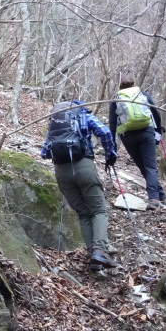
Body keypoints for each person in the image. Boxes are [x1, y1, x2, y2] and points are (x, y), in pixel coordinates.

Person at [41, 100, 119, 271]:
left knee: (83, 213)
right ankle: (100, 250)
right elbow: (104, 132)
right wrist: (110, 153)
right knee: (98, 210)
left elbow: (44, 152)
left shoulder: (53, 124)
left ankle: (93, 254)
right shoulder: (83, 115)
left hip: (61, 171)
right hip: (84, 166)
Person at [108, 74, 166, 210]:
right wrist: (157, 131)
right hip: (146, 133)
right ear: (134, 85)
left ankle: (160, 196)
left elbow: (112, 124)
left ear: (120, 87)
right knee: (150, 167)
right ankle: (155, 197)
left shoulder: (116, 100)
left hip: (128, 137)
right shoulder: (143, 95)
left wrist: (112, 145)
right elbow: (156, 114)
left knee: (143, 166)